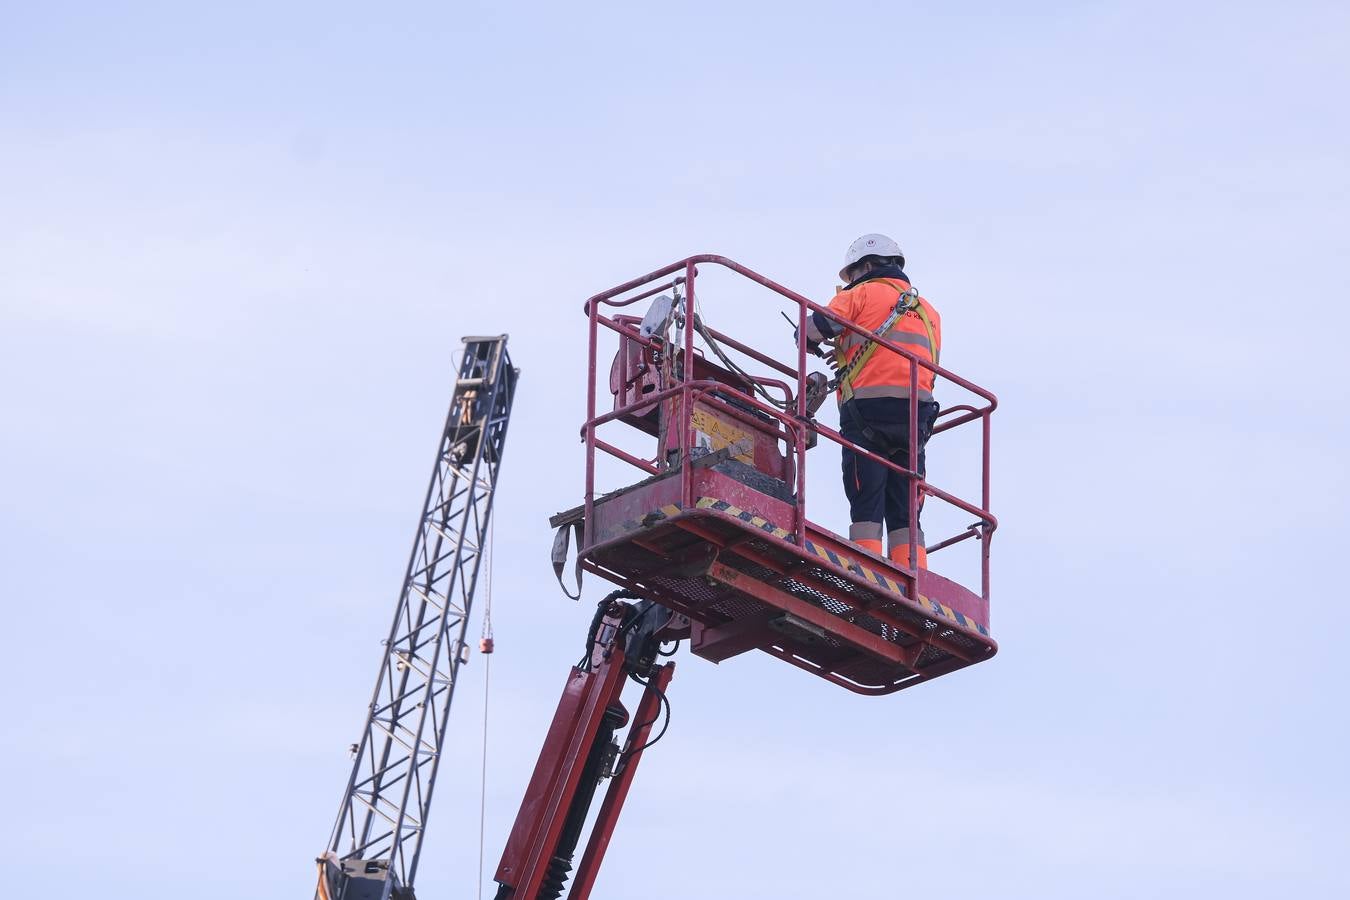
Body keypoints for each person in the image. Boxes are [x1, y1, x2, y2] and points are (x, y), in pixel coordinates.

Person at [802, 234, 941, 569]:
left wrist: (805, 339)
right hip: (915, 418)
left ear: (865, 266)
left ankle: (865, 570)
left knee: (865, 497)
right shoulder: (928, 312)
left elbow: (814, 328)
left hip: (867, 412)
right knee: (905, 507)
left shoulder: (860, 293)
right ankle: (913, 576)